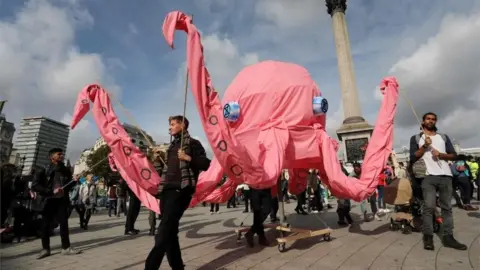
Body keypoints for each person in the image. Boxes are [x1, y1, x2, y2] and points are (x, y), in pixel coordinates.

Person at [145, 115, 211, 270]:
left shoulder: (193, 143)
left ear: (183, 125)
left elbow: (206, 164)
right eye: (170, 125)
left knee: (162, 232)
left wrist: (188, 157)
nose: (170, 127)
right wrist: (156, 160)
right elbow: (164, 172)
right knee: (170, 233)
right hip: (166, 192)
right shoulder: (171, 147)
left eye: (173, 124)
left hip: (181, 190)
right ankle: (178, 267)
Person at [409, 112, 467, 251]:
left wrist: (440, 155)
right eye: (428, 119)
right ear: (423, 121)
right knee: (429, 207)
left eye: (433, 119)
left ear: (436, 122)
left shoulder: (443, 137)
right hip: (428, 177)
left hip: (445, 176)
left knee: (447, 207)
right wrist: (424, 146)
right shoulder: (417, 138)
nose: (431, 121)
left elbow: (453, 156)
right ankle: (428, 237)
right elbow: (413, 157)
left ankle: (448, 236)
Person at [31, 148, 80, 259]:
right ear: (51, 156)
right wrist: (50, 191)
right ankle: (45, 249)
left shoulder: (65, 169)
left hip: (61, 201)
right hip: (47, 201)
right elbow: (35, 185)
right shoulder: (43, 168)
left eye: (62, 154)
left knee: (64, 224)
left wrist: (74, 181)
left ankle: (66, 248)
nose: (62, 156)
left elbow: (68, 186)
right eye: (59, 154)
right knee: (45, 225)